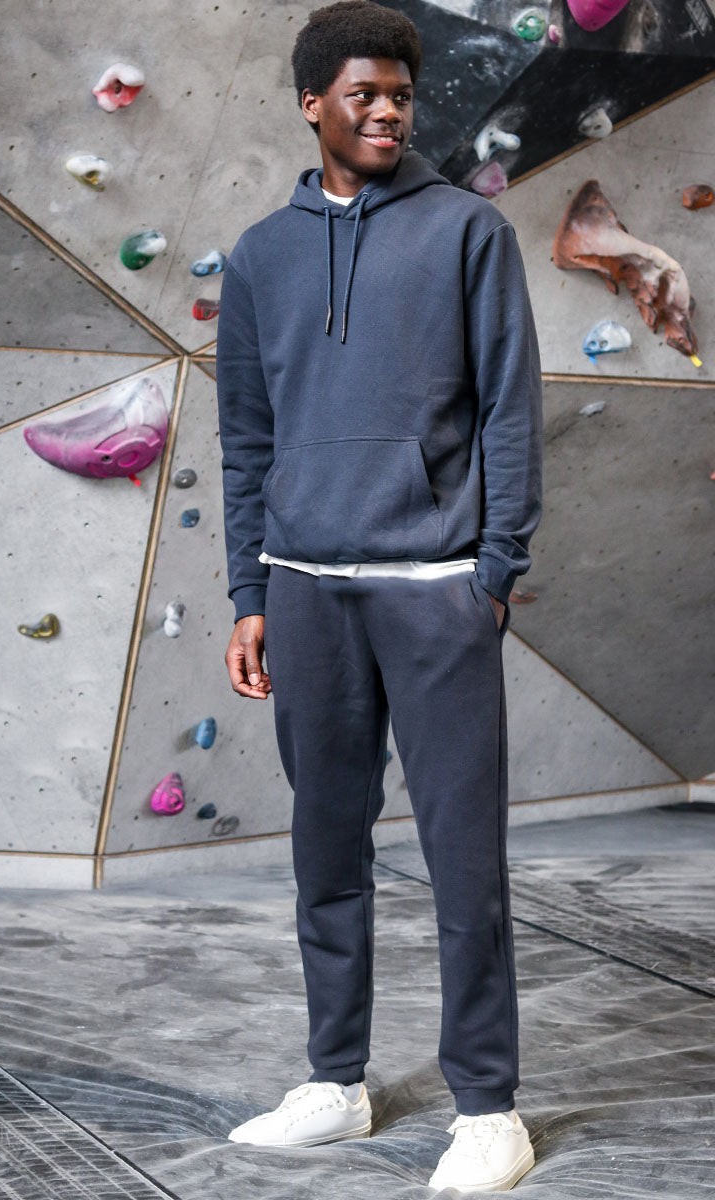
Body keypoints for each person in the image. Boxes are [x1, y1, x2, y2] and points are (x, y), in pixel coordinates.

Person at [215, 1, 542, 1191]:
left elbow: (508, 407)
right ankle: (334, 1082)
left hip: (434, 587)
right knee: (324, 849)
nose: (388, 112)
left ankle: (488, 1109)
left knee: (462, 859)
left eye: (400, 94)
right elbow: (245, 436)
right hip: (306, 592)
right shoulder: (259, 256)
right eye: (362, 94)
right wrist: (249, 589)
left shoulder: (465, 232)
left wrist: (491, 572)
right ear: (312, 103)